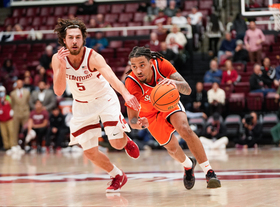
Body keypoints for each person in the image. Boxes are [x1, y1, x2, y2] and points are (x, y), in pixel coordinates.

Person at [52, 18, 140, 193]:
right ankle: (117, 175)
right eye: (71, 37)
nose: (74, 41)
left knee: (115, 144)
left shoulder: (93, 57)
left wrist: (126, 94)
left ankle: (125, 140)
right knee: (90, 152)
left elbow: (112, 78)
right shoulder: (58, 58)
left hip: (104, 99)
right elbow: (59, 91)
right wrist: (62, 68)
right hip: (82, 105)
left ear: (83, 39)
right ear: (64, 39)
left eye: (78, 37)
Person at [125, 46, 221, 189]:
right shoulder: (131, 83)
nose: (138, 70)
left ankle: (209, 172)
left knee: (185, 129)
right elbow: (132, 120)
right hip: (149, 115)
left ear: (151, 62)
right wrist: (141, 124)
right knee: (173, 148)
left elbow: (187, 89)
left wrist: (174, 84)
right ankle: (188, 165)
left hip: (168, 104)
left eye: (142, 65)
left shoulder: (162, 64)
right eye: (134, 66)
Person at [10, 79, 30, 146]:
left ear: (22, 84)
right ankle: (14, 145)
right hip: (16, 113)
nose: (19, 84)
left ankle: (26, 145)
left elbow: (28, 102)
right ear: (16, 84)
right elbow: (12, 104)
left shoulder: (27, 92)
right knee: (15, 130)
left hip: (25, 113)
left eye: (20, 83)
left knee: (26, 130)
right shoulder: (12, 93)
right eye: (18, 83)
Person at [0, 86, 16, 151]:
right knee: (4, 134)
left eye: (2, 92)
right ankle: (6, 146)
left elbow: (14, 105)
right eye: (0, 92)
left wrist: (12, 110)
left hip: (9, 119)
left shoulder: (8, 98)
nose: (1, 93)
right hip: (1, 120)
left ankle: (12, 145)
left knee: (11, 132)